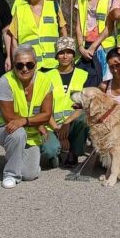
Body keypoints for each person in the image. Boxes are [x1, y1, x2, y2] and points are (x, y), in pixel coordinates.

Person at [0, 45, 57, 188]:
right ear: (13, 65)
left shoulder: (45, 80)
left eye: (29, 64)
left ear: (35, 65)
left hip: (31, 132)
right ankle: (11, 174)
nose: (25, 69)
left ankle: (21, 161)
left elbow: (47, 114)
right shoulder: (5, 81)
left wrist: (27, 120)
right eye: (20, 65)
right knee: (17, 133)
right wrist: (36, 122)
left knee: (30, 175)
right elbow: (9, 117)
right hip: (4, 128)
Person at [43, 37, 92, 166]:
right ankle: (55, 152)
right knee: (50, 151)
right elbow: (42, 107)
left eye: (69, 52)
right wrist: (58, 130)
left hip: (72, 123)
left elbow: (85, 106)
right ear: (56, 55)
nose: (65, 56)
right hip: (51, 124)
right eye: (61, 52)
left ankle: (73, 152)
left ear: (74, 55)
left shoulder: (83, 75)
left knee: (84, 117)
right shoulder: (46, 77)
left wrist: (67, 122)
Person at [10, 0, 67, 70]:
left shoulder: (54, 6)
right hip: (29, 66)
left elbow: (63, 31)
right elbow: (14, 40)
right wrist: (16, 62)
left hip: (53, 64)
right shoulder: (19, 11)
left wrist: (64, 55)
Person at [76, 0, 113, 84]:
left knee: (103, 84)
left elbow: (109, 27)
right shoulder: (81, 0)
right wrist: (81, 48)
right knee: (85, 84)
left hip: (102, 47)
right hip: (85, 47)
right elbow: (78, 26)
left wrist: (93, 47)